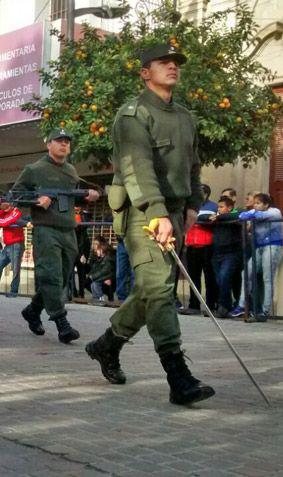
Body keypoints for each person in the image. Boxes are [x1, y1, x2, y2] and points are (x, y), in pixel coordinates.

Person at [85, 44, 215, 406]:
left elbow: (193, 165)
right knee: (160, 291)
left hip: (174, 212)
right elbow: (135, 166)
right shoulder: (132, 115)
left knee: (149, 291)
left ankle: (106, 346)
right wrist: (157, 212)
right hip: (144, 211)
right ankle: (178, 377)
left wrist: (191, 206)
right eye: (164, 63)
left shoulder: (186, 116)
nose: (173, 67)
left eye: (176, 63)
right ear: (145, 72)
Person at [12, 128, 99, 343]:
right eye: (59, 141)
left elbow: (73, 198)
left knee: (60, 279)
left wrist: (89, 196)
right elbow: (15, 195)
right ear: (48, 144)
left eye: (67, 142)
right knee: (50, 276)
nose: (64, 145)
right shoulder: (34, 169)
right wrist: (36, 200)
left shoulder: (70, 170)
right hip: (46, 229)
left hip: (68, 231)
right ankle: (62, 323)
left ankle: (33, 310)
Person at [230, 193, 282, 321]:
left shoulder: (275, 212)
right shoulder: (255, 211)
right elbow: (242, 215)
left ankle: (265, 310)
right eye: (255, 203)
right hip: (259, 247)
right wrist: (251, 214)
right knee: (246, 272)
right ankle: (242, 305)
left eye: (258, 203)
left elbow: (259, 215)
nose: (256, 205)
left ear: (266, 204)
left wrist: (252, 214)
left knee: (267, 277)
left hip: (272, 246)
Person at [181, 184, 217, 315]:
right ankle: (194, 305)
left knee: (209, 277)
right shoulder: (190, 205)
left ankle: (211, 306)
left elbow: (213, 220)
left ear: (206, 194)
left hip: (207, 245)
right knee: (193, 277)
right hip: (192, 244)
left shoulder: (213, 206)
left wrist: (198, 218)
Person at [204, 196, 241, 318]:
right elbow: (200, 217)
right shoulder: (216, 218)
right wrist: (213, 217)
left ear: (229, 207)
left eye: (221, 207)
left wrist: (219, 217)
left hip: (230, 253)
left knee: (224, 277)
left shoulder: (235, 215)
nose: (218, 209)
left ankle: (224, 306)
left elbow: (237, 216)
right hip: (217, 253)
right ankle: (226, 305)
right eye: (218, 207)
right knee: (219, 280)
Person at [87, 235, 115, 304]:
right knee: (92, 284)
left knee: (95, 284)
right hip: (102, 278)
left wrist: (93, 277)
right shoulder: (96, 256)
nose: (95, 247)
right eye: (94, 244)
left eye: (97, 244)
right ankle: (95, 297)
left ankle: (100, 297)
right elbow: (94, 269)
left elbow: (105, 271)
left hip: (109, 278)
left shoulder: (108, 258)